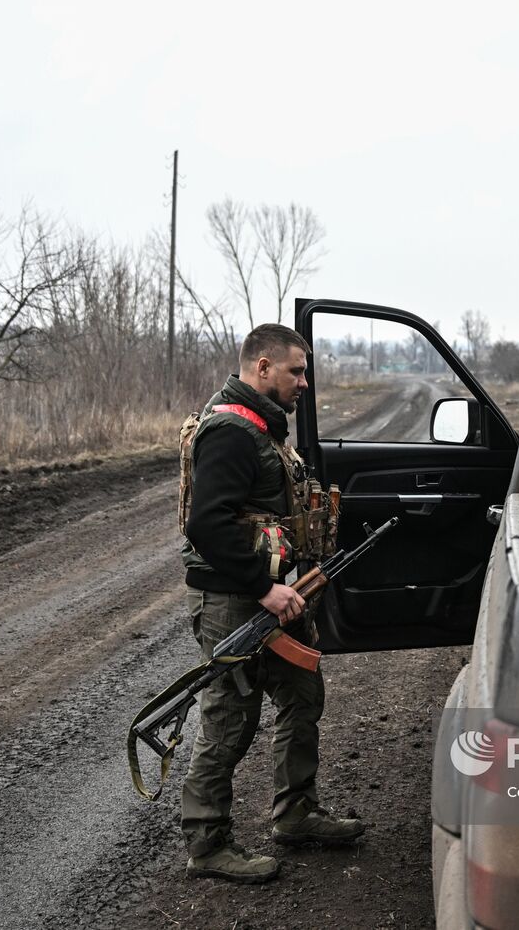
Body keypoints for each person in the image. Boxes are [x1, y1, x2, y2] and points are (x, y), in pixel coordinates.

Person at [177, 323, 364, 884]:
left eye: (304, 371)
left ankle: (296, 813)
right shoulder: (232, 433)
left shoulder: (263, 429)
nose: (304, 382)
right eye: (296, 371)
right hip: (236, 600)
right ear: (262, 368)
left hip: (275, 596)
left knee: (303, 693)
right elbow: (206, 523)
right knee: (230, 721)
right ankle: (207, 844)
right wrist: (264, 586)